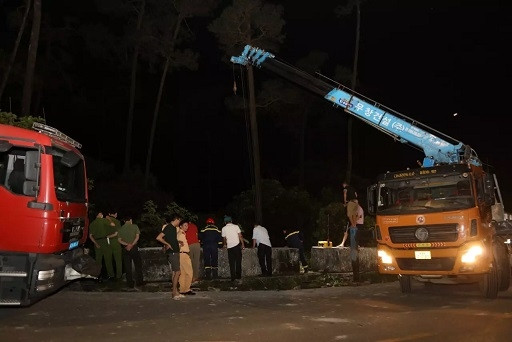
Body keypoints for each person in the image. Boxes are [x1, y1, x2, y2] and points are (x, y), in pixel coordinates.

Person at [156, 213, 184, 300]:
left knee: (174, 272)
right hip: (172, 252)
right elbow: (159, 237)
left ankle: (176, 292)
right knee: (177, 272)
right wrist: (167, 244)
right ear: (176, 219)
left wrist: (177, 242)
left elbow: (170, 238)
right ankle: (173, 293)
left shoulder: (173, 228)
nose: (179, 222)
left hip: (175, 251)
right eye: (179, 220)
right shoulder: (168, 227)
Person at [117, 215, 144, 289]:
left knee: (127, 267)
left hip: (125, 249)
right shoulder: (135, 226)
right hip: (134, 248)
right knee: (138, 265)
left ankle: (130, 283)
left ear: (124, 221)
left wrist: (127, 245)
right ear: (130, 220)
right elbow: (137, 237)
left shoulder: (120, 229)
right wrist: (131, 244)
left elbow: (119, 240)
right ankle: (140, 282)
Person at [339, 203, 363, 282]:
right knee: (354, 257)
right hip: (353, 248)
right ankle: (356, 278)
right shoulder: (353, 209)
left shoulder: (355, 209)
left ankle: (356, 278)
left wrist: (353, 224)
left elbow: (356, 217)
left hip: (355, 229)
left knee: (354, 256)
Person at [88, 211, 115, 280]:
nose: (102, 215)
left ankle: (97, 276)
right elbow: (113, 224)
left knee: (98, 260)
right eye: (101, 214)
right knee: (108, 259)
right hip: (104, 241)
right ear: (99, 215)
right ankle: (111, 275)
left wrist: (96, 243)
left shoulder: (92, 224)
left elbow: (90, 236)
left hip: (97, 242)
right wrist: (109, 218)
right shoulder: (103, 220)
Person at [221, 215, 245, 282]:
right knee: (238, 261)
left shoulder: (224, 228)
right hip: (237, 246)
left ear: (225, 222)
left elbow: (224, 238)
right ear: (231, 221)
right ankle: (238, 276)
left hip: (230, 247)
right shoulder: (236, 226)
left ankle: (233, 278)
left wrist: (224, 244)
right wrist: (243, 245)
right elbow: (240, 236)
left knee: (231, 262)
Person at [177, 221, 195, 295]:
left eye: (187, 225)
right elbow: (178, 242)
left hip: (181, 254)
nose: (186, 227)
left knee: (183, 273)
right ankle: (187, 289)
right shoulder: (181, 234)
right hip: (183, 254)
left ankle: (182, 289)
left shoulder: (180, 233)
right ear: (180, 226)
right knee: (189, 272)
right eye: (185, 225)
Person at [105, 210, 123, 280]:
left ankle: (110, 275)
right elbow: (118, 233)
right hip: (116, 241)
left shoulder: (105, 221)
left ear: (109, 214)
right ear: (116, 214)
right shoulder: (117, 222)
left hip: (106, 242)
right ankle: (119, 275)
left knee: (108, 259)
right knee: (118, 259)